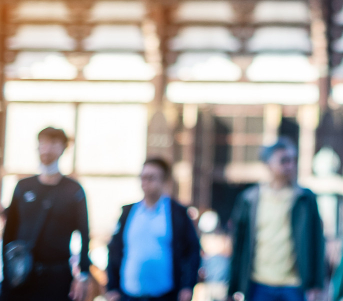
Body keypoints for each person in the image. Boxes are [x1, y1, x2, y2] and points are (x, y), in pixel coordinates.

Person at [229, 138, 326, 301]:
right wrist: (233, 287)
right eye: (284, 161)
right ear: (268, 164)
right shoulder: (250, 199)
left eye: (293, 160)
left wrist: (316, 285)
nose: (290, 166)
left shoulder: (305, 199)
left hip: (294, 285)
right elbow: (239, 245)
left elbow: (317, 242)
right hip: (258, 284)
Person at [1, 127, 90, 301]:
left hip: (56, 277)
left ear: (63, 148)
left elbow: (84, 235)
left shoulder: (73, 190)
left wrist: (83, 274)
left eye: (53, 144)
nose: (47, 149)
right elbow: (9, 232)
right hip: (21, 275)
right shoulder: (23, 187)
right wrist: (7, 271)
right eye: (43, 144)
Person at [105, 158, 202, 301]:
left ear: (164, 181)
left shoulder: (177, 214)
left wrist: (187, 286)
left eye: (151, 178)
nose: (145, 182)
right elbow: (114, 249)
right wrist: (112, 287)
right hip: (128, 295)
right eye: (143, 177)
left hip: (165, 295)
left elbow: (192, 251)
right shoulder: (128, 213)